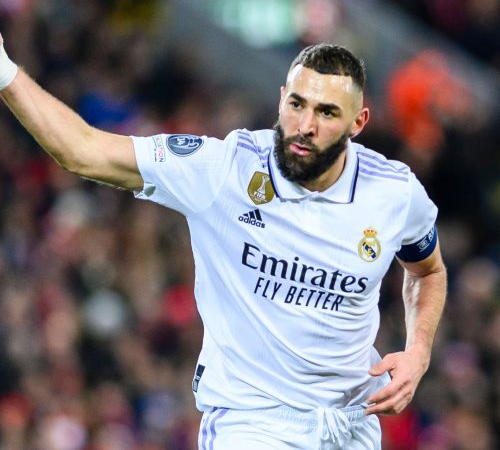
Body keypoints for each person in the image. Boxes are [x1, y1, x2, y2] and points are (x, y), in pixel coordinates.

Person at [0, 36, 447, 449]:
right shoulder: (225, 169)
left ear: (358, 121)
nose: (304, 125)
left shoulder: (394, 192)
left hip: (352, 424)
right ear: (280, 100)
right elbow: (82, 149)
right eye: (296, 104)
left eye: (327, 112)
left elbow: (427, 270)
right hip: (253, 424)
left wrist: (418, 352)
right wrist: (4, 71)